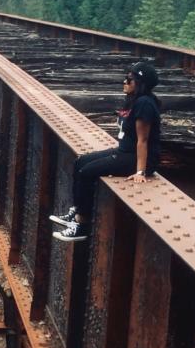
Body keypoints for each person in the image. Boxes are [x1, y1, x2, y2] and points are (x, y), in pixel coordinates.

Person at [50, 62, 161, 242]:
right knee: (81, 161)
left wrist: (141, 171)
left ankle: (82, 224)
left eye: (130, 79)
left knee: (86, 173)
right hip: (124, 151)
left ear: (141, 84)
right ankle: (77, 209)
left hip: (134, 158)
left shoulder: (144, 104)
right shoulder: (134, 100)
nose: (125, 81)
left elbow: (143, 140)